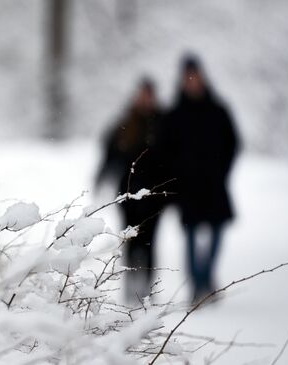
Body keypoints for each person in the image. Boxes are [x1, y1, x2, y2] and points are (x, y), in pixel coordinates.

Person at [163, 54, 239, 301]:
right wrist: (177, 174)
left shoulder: (218, 110)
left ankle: (207, 278)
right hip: (187, 187)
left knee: (217, 231)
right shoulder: (174, 114)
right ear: (182, 80)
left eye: (195, 76)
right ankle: (197, 286)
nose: (192, 81)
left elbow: (233, 143)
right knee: (190, 236)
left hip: (215, 184)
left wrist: (222, 170)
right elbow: (165, 150)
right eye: (188, 77)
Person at [97, 77, 169, 300]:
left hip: (155, 194)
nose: (145, 99)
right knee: (130, 239)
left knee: (150, 242)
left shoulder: (163, 123)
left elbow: (173, 157)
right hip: (127, 194)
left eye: (149, 95)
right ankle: (129, 286)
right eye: (142, 94)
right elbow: (109, 153)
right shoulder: (125, 122)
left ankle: (147, 289)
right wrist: (102, 177)